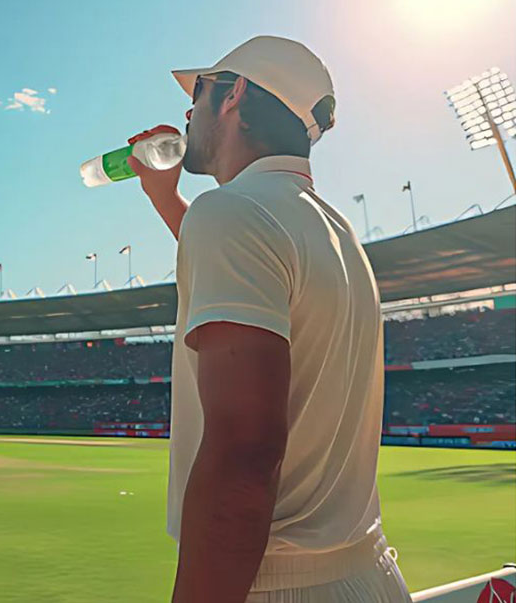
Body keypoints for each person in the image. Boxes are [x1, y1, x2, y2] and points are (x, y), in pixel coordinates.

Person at [127, 36, 409, 603]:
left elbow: (244, 455)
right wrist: (165, 198)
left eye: (201, 90)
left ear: (235, 96)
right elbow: (249, 270)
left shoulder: (231, 214)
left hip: (277, 585)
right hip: (367, 574)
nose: (188, 110)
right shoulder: (333, 229)